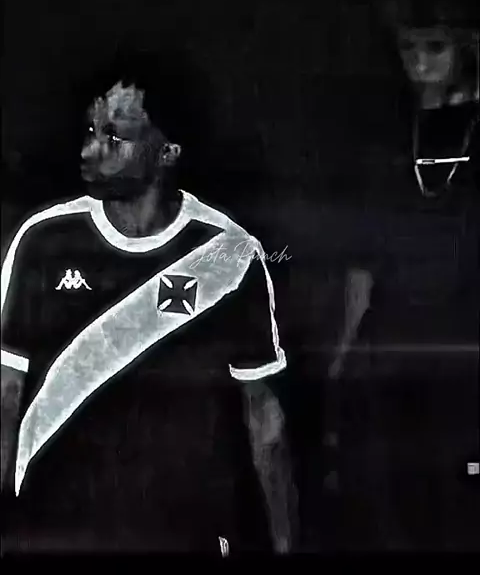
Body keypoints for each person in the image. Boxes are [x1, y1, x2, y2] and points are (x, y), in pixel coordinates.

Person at [0, 49, 298, 554]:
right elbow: (6, 395)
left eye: (114, 136)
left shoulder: (227, 252)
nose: (91, 149)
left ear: (167, 152)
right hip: (53, 528)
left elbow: (263, 417)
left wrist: (286, 543)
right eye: (90, 131)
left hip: (180, 532)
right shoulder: (43, 240)